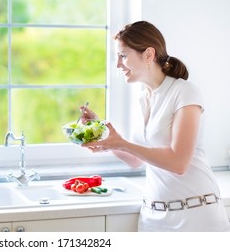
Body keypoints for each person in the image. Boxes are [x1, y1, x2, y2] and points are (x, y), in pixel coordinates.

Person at [81, 21, 230, 231]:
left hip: (196, 218)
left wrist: (121, 143)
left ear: (148, 54)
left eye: (123, 56)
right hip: (152, 218)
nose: (118, 65)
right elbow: (135, 160)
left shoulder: (185, 92)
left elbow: (179, 163)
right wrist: (104, 136)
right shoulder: (143, 98)